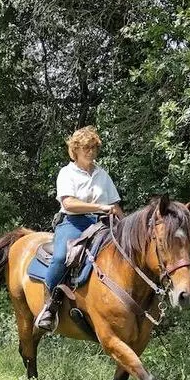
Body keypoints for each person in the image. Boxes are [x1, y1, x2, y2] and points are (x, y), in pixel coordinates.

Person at [35, 125, 124, 332]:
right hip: (73, 222)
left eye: (93, 147)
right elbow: (69, 204)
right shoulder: (67, 173)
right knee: (61, 257)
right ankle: (49, 306)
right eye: (86, 148)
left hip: (101, 224)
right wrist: (100, 206)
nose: (91, 152)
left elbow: (116, 206)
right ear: (75, 150)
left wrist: (126, 225)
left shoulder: (102, 175)